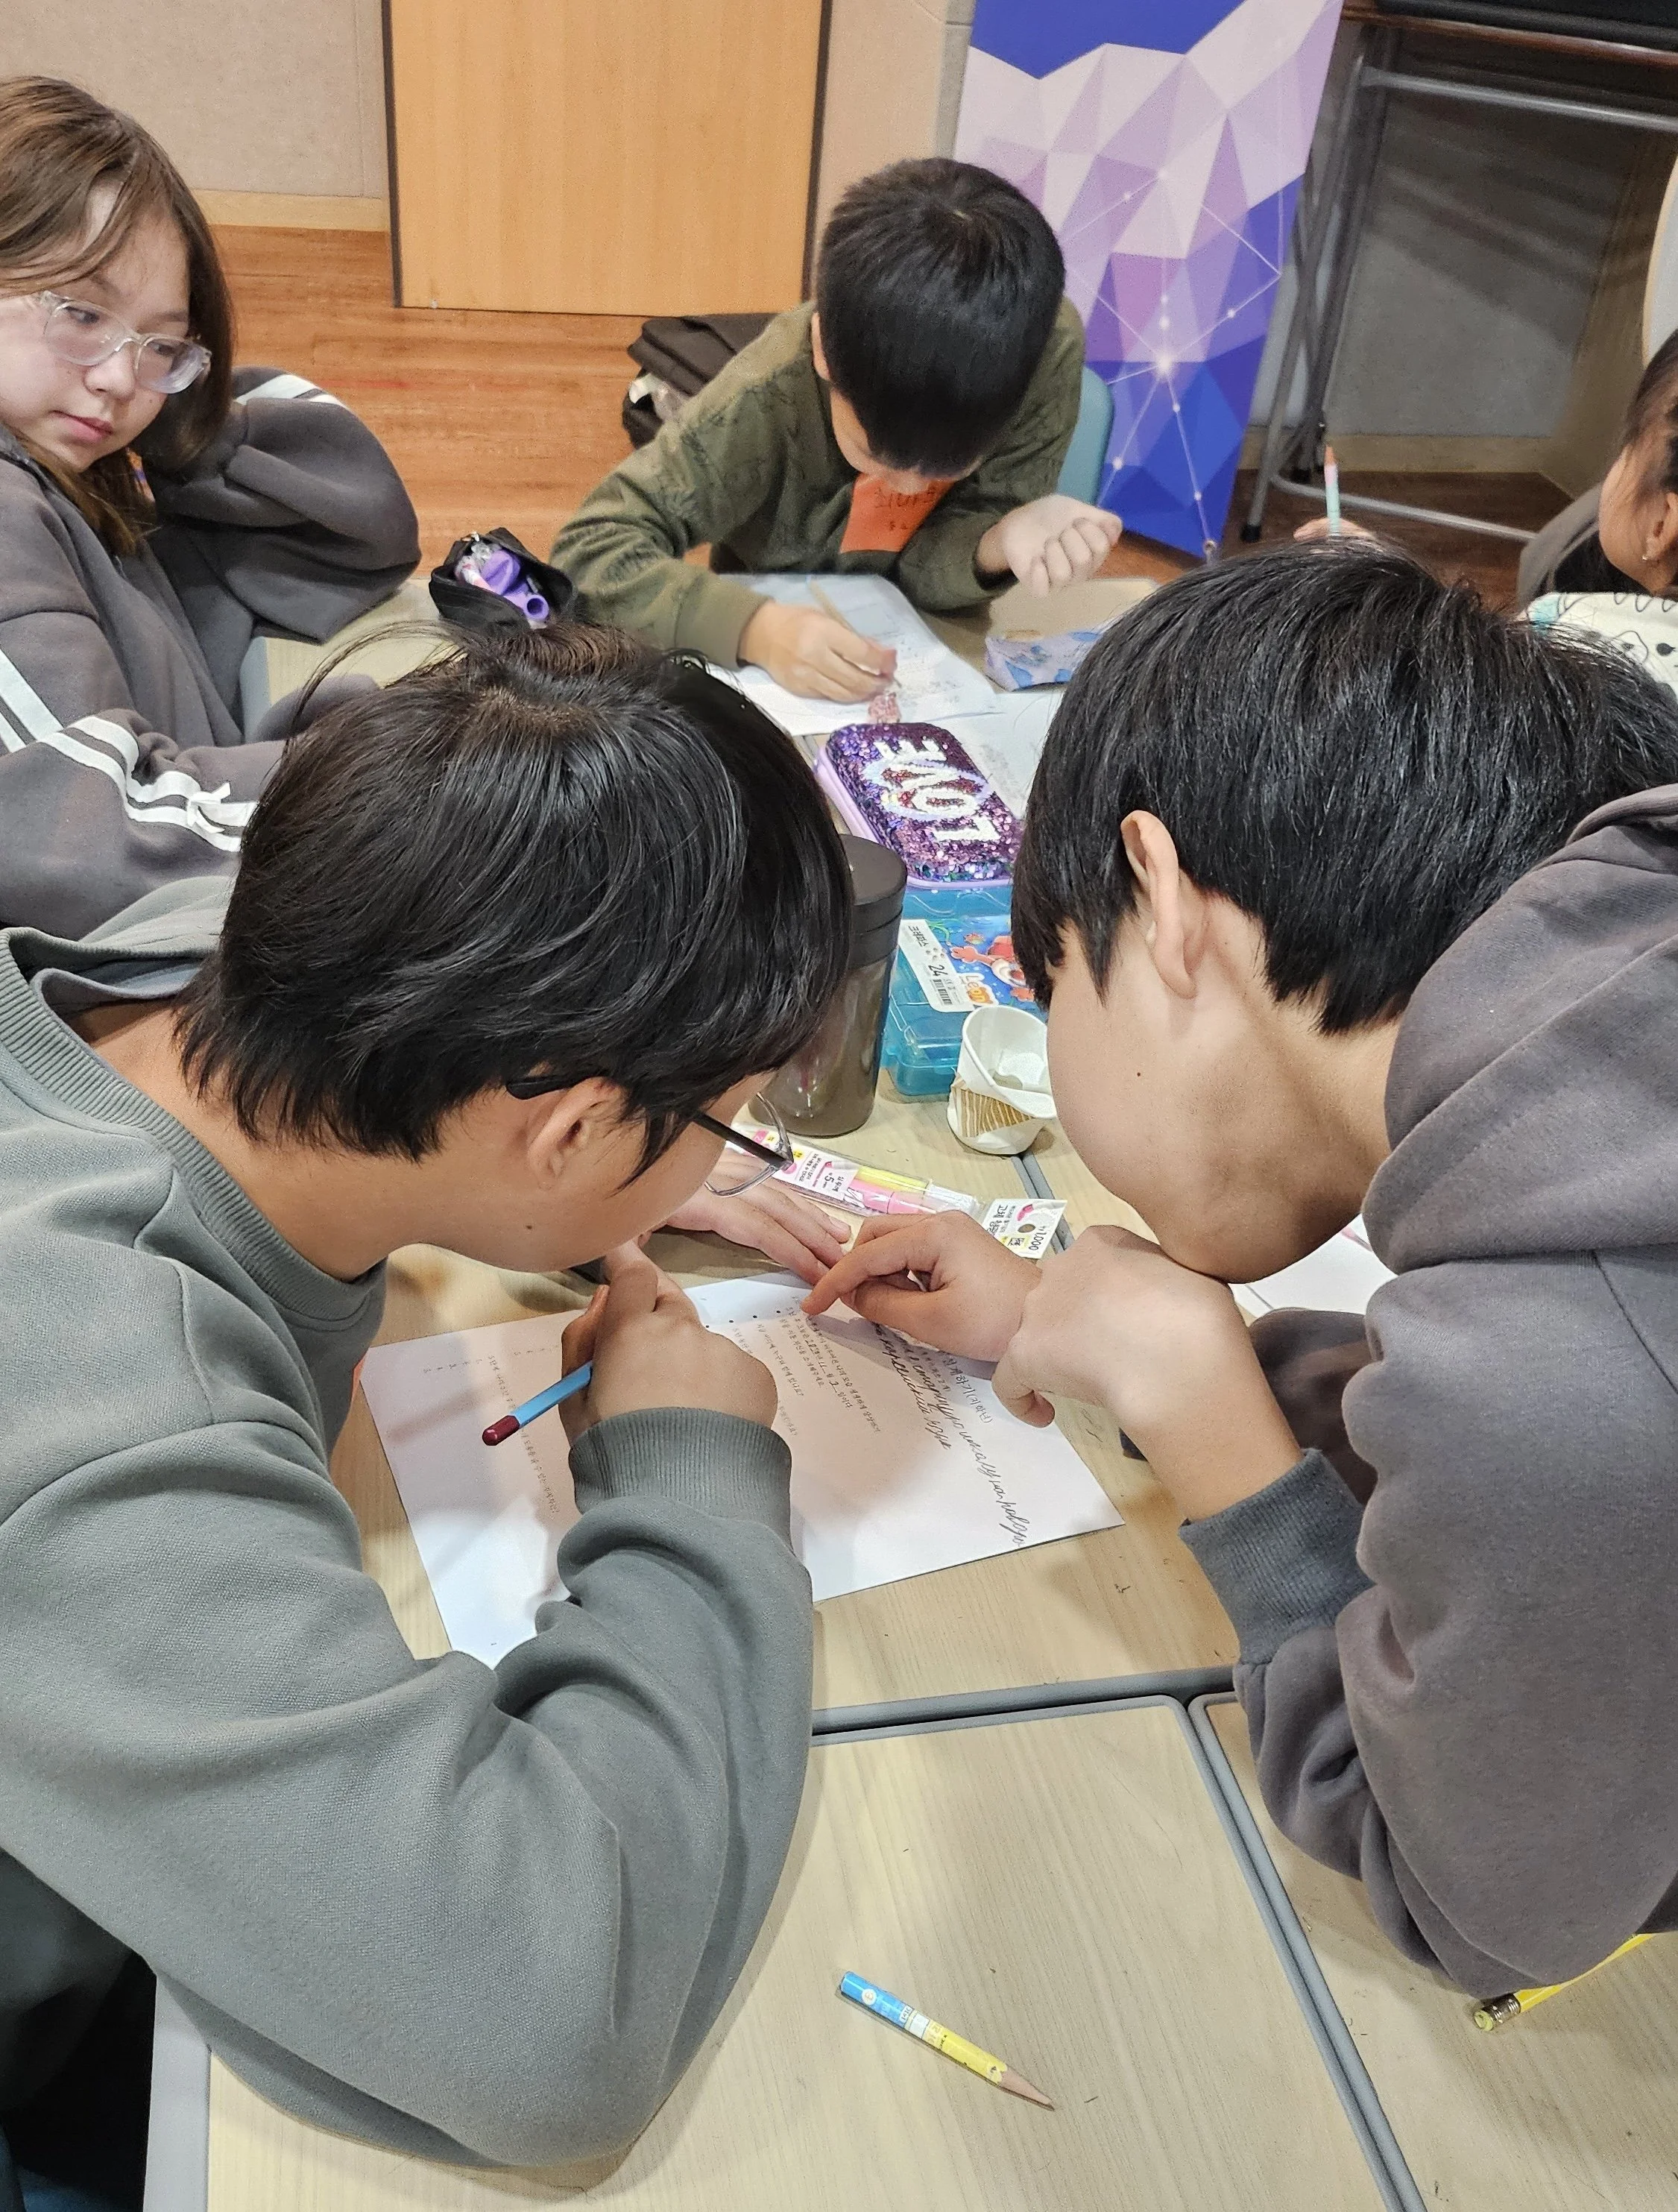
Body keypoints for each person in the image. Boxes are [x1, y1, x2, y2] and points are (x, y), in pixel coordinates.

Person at [0, 623, 851, 2205]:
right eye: (735, 1118)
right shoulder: (97, 1395)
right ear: (574, 1123)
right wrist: (685, 1471)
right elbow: (548, 2028)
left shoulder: (206, 946)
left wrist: (644, 1149)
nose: (738, 1147)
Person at [806, 542, 1678, 1995]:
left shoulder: (1559, 1358)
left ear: (1162, 907)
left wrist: (1224, 1449)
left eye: (1047, 976)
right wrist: (1114, 1340)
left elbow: (1472, 1901)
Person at [0, 75, 419, 937]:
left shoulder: (89, 460)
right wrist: (409, 783)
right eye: (80, 313)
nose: (119, 379)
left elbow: (360, 534)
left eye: (162, 343)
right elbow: (82, 839)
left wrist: (183, 428)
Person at [552, 157, 1121, 704]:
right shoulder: (768, 393)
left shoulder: (1040, 353)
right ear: (823, 349)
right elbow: (592, 548)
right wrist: (756, 631)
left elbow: (922, 568)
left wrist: (994, 542)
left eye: (947, 469)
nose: (903, 491)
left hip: (939, 657)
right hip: (773, 659)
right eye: (871, 455)